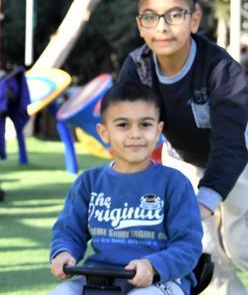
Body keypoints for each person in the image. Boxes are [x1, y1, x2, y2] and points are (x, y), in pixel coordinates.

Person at [118, 0, 248, 294]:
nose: (162, 26)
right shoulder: (137, 68)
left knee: (245, 246)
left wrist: (208, 198)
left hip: (242, 156)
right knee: (199, 250)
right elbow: (128, 128)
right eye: (150, 17)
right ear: (140, 25)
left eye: (174, 15)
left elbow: (232, 139)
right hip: (183, 156)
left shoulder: (219, 69)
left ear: (194, 20)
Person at [49, 82, 203, 295]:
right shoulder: (88, 182)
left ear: (158, 130)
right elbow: (69, 231)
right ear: (104, 133)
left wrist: (153, 265)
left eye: (145, 125)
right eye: (123, 125)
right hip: (100, 276)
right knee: (61, 293)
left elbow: (188, 246)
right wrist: (63, 252)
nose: (135, 134)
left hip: (162, 280)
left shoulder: (174, 184)